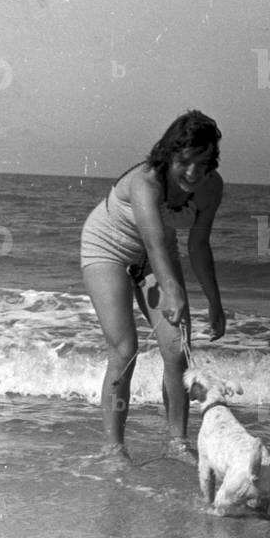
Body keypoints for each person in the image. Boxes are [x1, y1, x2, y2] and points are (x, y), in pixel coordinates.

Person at [80, 109, 226, 463]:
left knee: (177, 349)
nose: (193, 172)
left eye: (203, 163)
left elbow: (198, 245)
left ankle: (177, 443)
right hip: (108, 249)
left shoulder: (211, 187)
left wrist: (215, 302)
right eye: (185, 161)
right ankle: (114, 449)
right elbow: (155, 240)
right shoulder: (145, 182)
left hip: (154, 255)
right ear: (169, 155)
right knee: (125, 349)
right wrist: (172, 291)